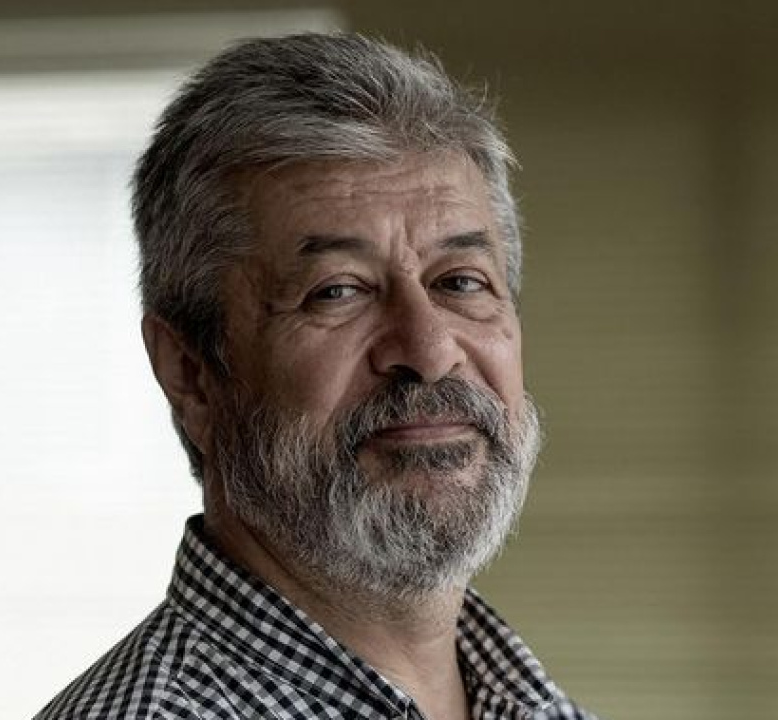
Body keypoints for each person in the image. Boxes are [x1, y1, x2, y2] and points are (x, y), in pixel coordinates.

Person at [36, 32, 598, 720]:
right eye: (337, 291)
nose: (428, 351)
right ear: (190, 374)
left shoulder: (527, 704)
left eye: (460, 281)